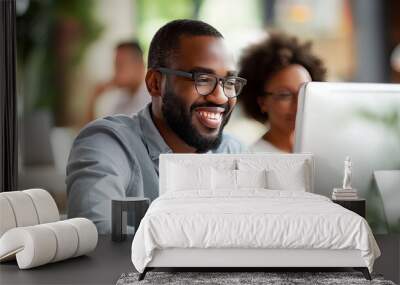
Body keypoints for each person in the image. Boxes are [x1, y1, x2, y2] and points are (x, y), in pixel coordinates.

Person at [67, 19, 247, 233]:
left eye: (229, 82)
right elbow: (99, 243)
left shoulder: (233, 152)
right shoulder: (108, 144)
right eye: (203, 79)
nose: (220, 97)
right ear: (154, 83)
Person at [238, 33, 326, 153]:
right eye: (285, 95)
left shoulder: (324, 151)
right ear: (262, 102)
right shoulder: (253, 159)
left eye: (305, 92)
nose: (298, 105)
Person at [86, 41, 150, 122]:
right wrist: (94, 97)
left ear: (140, 66)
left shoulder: (152, 100)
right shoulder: (122, 99)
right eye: (115, 66)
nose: (116, 72)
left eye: (120, 65)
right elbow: (96, 132)